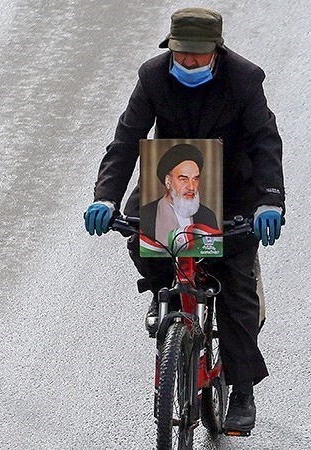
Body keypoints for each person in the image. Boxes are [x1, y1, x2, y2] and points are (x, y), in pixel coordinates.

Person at [83, 7, 285, 435]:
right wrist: (105, 197)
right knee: (140, 236)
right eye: (181, 53)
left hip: (231, 190)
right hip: (172, 180)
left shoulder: (245, 79)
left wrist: (270, 200)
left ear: (216, 50)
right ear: (170, 48)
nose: (188, 61)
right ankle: (164, 292)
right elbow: (126, 140)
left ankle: (242, 390)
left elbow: (265, 141)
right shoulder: (153, 77)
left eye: (197, 54)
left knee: (234, 284)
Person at [141, 143, 219, 252]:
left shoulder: (207, 216)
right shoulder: (147, 214)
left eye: (195, 179)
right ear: (168, 181)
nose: (191, 187)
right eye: (183, 179)